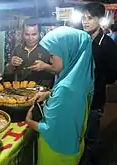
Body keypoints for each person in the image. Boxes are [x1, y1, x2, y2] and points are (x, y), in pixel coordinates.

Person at [25, 26, 94, 165]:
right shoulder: (81, 78)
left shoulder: (65, 88)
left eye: (52, 55)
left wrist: (30, 122)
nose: (50, 60)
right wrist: (49, 94)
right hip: (72, 145)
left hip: (56, 152)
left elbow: (51, 129)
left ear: (67, 51)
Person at [81, 3, 117, 163]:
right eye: (83, 18)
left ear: (99, 19)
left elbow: (113, 73)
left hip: (95, 98)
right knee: (80, 132)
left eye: (90, 18)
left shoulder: (107, 44)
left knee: (92, 135)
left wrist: (99, 81)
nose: (85, 22)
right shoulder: (81, 40)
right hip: (79, 96)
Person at [3, 20, 55, 88]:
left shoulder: (48, 49)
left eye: (34, 34)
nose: (30, 38)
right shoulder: (17, 50)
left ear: (39, 33)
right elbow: (7, 73)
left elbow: (58, 71)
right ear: (22, 34)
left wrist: (45, 66)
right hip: (21, 92)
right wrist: (11, 64)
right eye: (27, 34)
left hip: (42, 92)